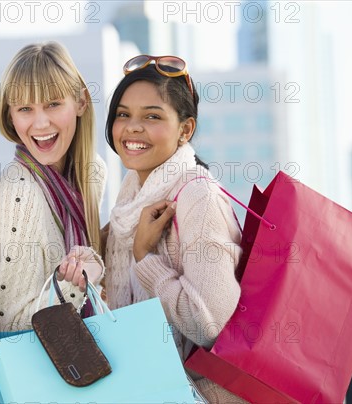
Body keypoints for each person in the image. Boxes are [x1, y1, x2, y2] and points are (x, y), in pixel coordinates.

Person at [103, 55, 245, 403]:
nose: (132, 128)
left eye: (152, 116)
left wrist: (144, 257)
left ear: (185, 129)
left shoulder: (197, 197)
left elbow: (211, 326)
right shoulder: (129, 202)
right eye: (123, 115)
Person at [0, 41, 106, 332]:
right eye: (25, 109)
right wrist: (74, 286)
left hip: (72, 365)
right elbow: (10, 326)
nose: (41, 123)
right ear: (10, 115)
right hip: (7, 372)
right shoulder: (17, 195)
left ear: (81, 102)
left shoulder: (91, 174)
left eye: (53, 104)